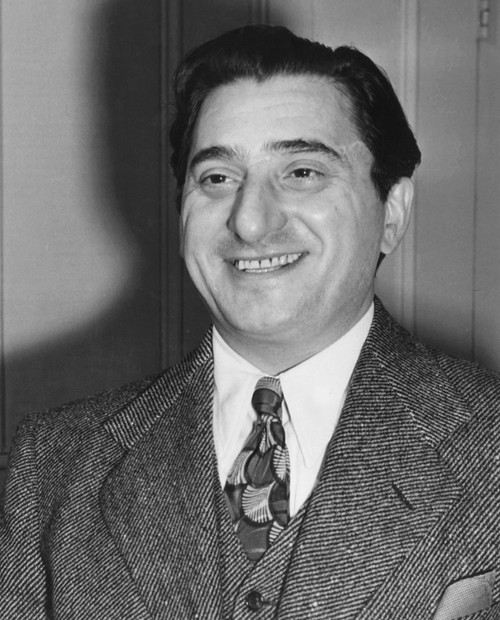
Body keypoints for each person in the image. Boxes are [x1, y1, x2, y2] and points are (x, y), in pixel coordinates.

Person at [1, 24, 499, 620]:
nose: (251, 222)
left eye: (302, 172)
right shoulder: (54, 466)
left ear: (391, 212)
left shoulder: (486, 441)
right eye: (217, 178)